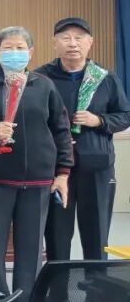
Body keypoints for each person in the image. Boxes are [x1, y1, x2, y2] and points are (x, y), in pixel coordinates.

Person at [0, 27, 73, 302]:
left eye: (19, 48)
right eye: (7, 48)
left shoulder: (44, 85)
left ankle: (24, 301)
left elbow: (61, 129)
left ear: (30, 53)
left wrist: (63, 173)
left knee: (31, 244)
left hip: (38, 178)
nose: (13, 53)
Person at [37, 17, 130, 261]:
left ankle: (96, 282)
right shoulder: (41, 78)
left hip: (97, 166)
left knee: (96, 233)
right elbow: (31, 119)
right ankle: (57, 284)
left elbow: (125, 115)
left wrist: (98, 120)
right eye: (66, 38)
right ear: (55, 43)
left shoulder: (105, 78)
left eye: (79, 38)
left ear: (90, 43)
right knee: (56, 234)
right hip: (56, 167)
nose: (72, 43)